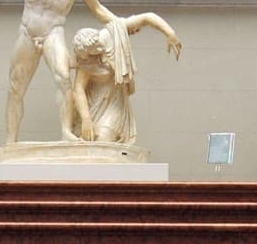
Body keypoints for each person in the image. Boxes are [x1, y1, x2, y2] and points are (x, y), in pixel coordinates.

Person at [5, 0, 119, 144]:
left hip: (53, 32)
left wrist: (119, 25)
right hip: (28, 31)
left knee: (64, 77)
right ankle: (10, 140)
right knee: (16, 88)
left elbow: (97, 9)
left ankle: (66, 132)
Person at [69, 13, 181, 147]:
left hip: (114, 102)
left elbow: (147, 17)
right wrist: (86, 119)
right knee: (87, 142)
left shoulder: (114, 32)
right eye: (93, 52)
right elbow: (78, 89)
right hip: (93, 104)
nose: (99, 50)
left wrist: (170, 33)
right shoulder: (86, 59)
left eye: (98, 46)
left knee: (103, 141)